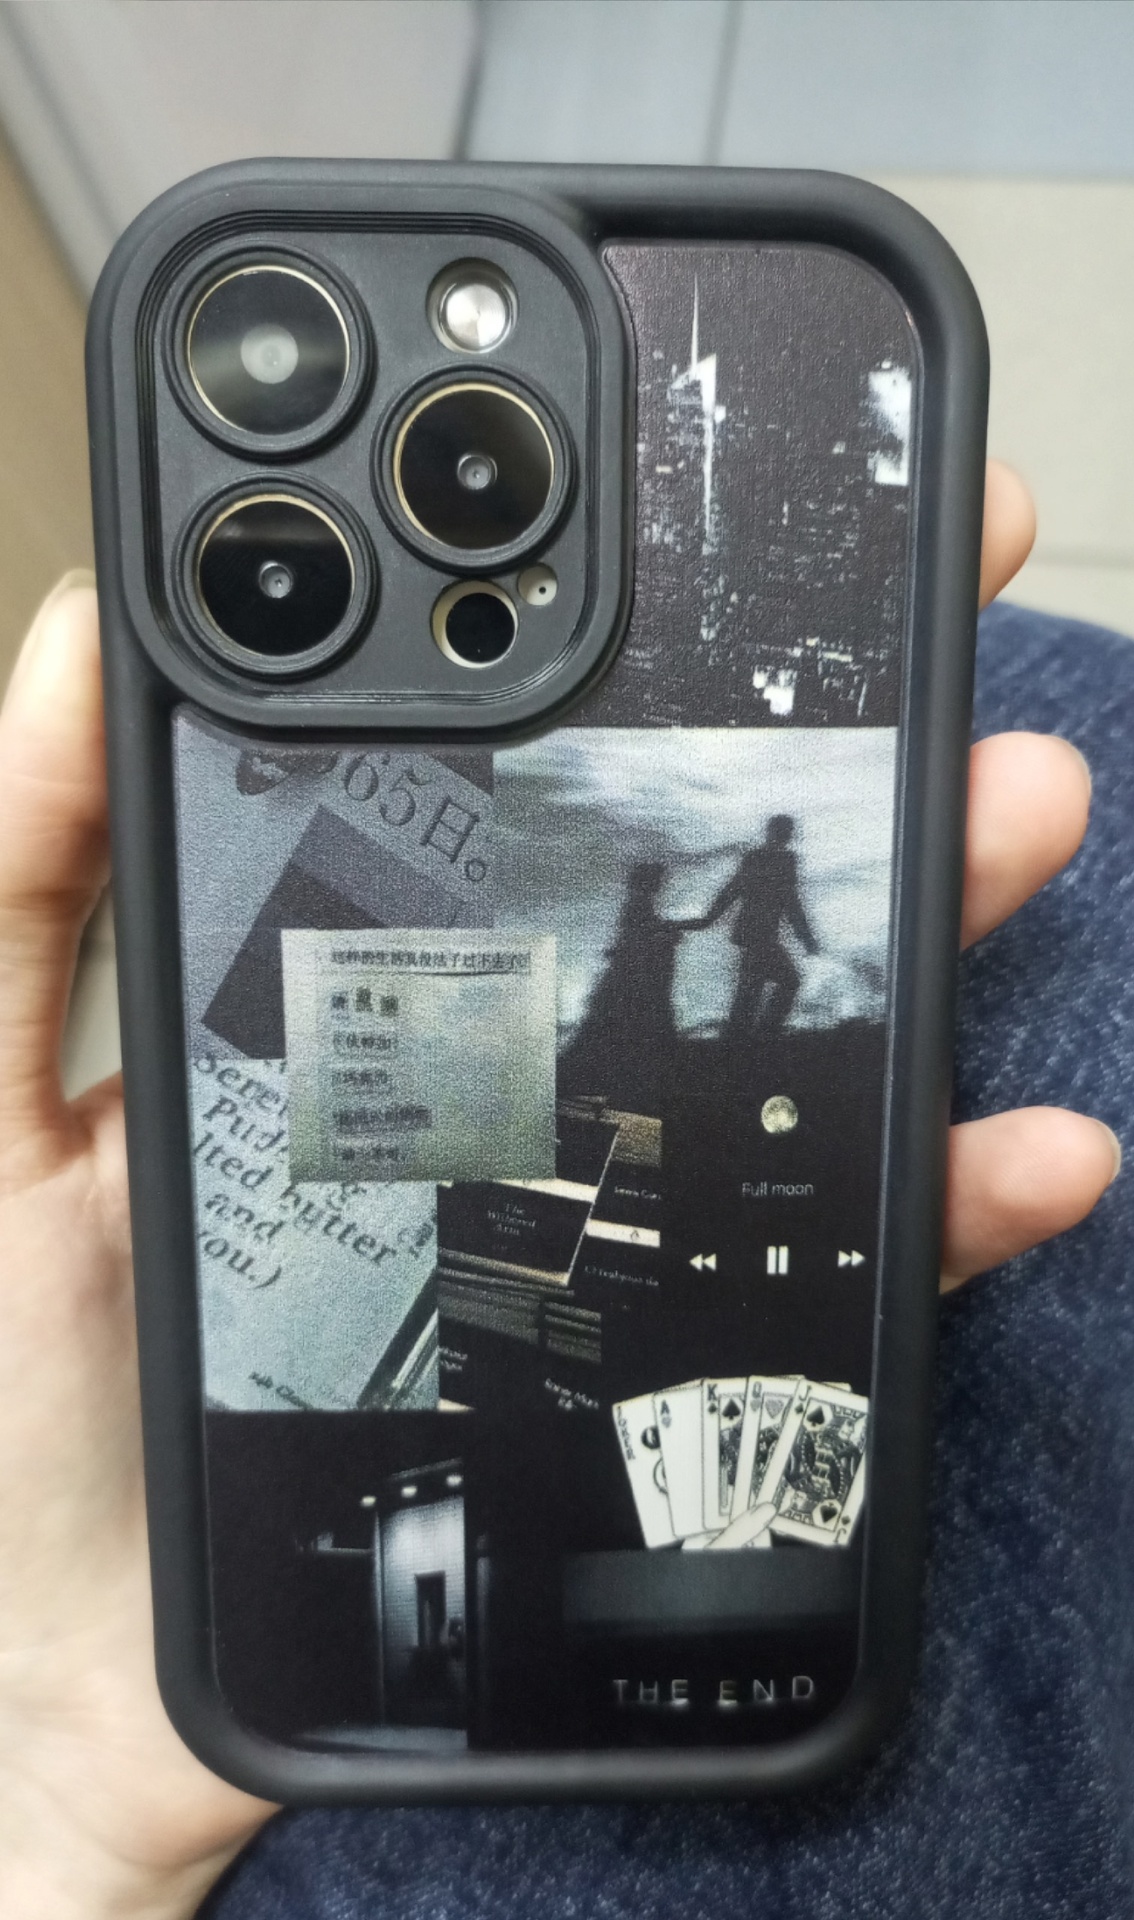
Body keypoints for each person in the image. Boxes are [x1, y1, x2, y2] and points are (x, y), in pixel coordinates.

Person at [0, 463, 1123, 1918]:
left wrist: (50, 1808)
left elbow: (717, 922)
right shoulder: (664, 905)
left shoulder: (662, 905)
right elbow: (716, 921)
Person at [694, 814, 820, 1035]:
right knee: (785, 982)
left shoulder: (755, 857)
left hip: (751, 933)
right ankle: (764, 1034)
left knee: (751, 988)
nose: (789, 836)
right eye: (787, 831)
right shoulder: (785, 860)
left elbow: (732, 889)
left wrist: (709, 918)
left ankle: (744, 1037)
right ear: (781, 833)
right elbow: (791, 902)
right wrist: (806, 937)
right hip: (762, 935)